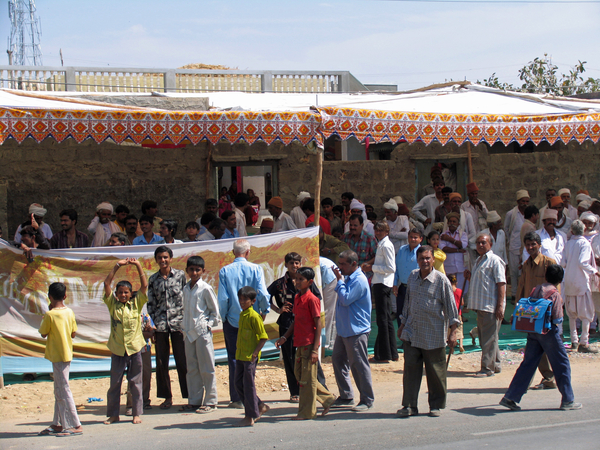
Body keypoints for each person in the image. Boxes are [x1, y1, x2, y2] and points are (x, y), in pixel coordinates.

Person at [500, 265, 582, 411]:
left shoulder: (536, 289)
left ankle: (510, 397)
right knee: (561, 364)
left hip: (533, 331)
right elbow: (557, 319)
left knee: (528, 364)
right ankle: (568, 400)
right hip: (548, 333)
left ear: (545, 277)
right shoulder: (554, 294)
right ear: (560, 280)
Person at [396, 246, 459, 418]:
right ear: (417, 260)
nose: (425, 261)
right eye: (422, 258)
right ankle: (409, 405)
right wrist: (402, 325)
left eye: (428, 258)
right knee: (410, 371)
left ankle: (436, 405)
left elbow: (452, 310)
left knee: (436, 372)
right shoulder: (412, 277)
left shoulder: (441, 280)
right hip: (412, 331)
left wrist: (453, 332)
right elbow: (407, 303)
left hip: (433, 334)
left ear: (433, 260)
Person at [275, 267, 336, 420]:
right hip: (299, 342)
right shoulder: (297, 297)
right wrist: (285, 337)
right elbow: (296, 321)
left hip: (309, 344)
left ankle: (306, 412)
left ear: (310, 282)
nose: (297, 281)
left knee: (306, 380)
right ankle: (328, 399)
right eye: (297, 278)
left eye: (301, 279)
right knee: (301, 375)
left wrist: (315, 350)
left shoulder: (312, 299)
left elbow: (318, 324)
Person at [218, 239, 270, 408]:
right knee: (251, 357)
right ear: (248, 252)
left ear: (234, 252)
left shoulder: (225, 271)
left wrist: (224, 316)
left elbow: (223, 298)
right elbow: (262, 292)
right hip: (252, 317)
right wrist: (264, 311)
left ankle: (237, 397)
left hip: (233, 320)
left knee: (234, 357)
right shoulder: (256, 269)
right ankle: (250, 393)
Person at [102, 257, 148, 425]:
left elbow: (144, 286)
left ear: (130, 294)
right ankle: (114, 414)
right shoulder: (112, 304)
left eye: (126, 292)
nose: (123, 295)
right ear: (116, 294)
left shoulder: (136, 304)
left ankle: (136, 413)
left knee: (135, 382)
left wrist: (137, 265)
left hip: (135, 348)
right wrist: (116, 266)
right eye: (120, 292)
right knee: (115, 383)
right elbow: (106, 284)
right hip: (117, 349)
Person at [330, 250, 375, 412]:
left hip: (356, 330)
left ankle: (367, 399)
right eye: (339, 263)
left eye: (343, 264)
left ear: (354, 264)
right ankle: (346, 395)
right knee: (338, 360)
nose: (340, 267)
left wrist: (340, 281)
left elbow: (346, 299)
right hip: (344, 330)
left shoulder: (359, 280)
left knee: (359, 365)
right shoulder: (348, 278)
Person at [37, 282, 83, 437]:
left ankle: (75, 424)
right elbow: (73, 333)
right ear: (65, 296)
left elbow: (43, 333)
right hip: (66, 354)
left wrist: (47, 317)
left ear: (49, 297)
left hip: (57, 356)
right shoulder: (69, 312)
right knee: (59, 388)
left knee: (63, 389)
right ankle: (57, 423)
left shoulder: (50, 315)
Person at [147, 246, 188, 410]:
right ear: (156, 260)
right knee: (161, 362)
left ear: (171, 258)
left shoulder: (180, 276)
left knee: (182, 361)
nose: (163, 260)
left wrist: (185, 322)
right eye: (159, 258)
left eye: (165, 257)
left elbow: (186, 298)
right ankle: (166, 397)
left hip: (179, 324)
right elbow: (151, 304)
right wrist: (154, 324)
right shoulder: (153, 280)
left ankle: (189, 394)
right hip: (161, 326)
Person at [517, 231, 558, 390]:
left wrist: (553, 311)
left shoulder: (548, 263)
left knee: (542, 346)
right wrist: (518, 308)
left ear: (539, 245)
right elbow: (521, 286)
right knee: (535, 346)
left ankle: (546, 378)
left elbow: (555, 289)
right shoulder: (526, 265)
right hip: (529, 312)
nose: (530, 247)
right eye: (527, 245)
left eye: (533, 244)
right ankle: (547, 377)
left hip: (545, 313)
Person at [181, 256, 220, 413]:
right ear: (187, 271)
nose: (194, 272)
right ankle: (195, 400)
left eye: (198, 269)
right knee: (192, 368)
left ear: (203, 271)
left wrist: (208, 326)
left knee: (207, 367)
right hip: (188, 333)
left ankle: (211, 401)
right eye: (191, 269)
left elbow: (214, 312)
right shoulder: (185, 288)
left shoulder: (205, 288)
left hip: (202, 333)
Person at [465, 233, 507, 377]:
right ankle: (495, 364)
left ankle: (487, 368)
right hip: (481, 305)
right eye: (478, 243)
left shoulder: (495, 261)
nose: (480, 245)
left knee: (488, 339)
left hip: (491, 305)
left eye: (483, 242)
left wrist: (500, 306)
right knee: (488, 336)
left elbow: (501, 283)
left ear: (490, 244)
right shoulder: (478, 260)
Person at [234, 286, 270, 427]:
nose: (242, 302)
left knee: (248, 386)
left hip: (250, 357)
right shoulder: (243, 315)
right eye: (240, 299)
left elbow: (263, 337)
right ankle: (260, 405)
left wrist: (255, 353)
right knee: (238, 384)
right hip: (241, 356)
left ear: (253, 301)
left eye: (245, 300)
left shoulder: (254, 317)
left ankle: (251, 416)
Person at [562, 220, 599, 353]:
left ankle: (574, 341)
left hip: (570, 282)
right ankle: (584, 342)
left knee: (572, 314)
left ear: (572, 231)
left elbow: (563, 263)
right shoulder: (584, 243)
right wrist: (595, 271)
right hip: (581, 282)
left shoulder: (568, 243)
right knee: (586, 314)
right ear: (583, 230)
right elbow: (582, 262)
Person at [362, 221, 397, 363]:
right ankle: (392, 353)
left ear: (386, 232)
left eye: (381, 231)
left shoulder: (386, 245)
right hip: (380, 282)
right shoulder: (381, 244)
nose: (378, 233)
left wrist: (373, 268)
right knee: (386, 319)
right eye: (377, 230)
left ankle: (382, 354)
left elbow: (391, 267)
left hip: (383, 283)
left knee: (382, 319)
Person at [393, 228, 423, 326]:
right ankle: (403, 338)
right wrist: (394, 284)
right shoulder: (402, 250)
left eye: (415, 237)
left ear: (420, 239)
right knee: (400, 313)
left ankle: (413, 339)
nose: (413, 239)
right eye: (411, 237)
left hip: (416, 288)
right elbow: (396, 268)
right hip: (402, 287)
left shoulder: (423, 252)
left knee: (414, 314)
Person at [505, 190, 530, 301]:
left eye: (526, 201)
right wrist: (510, 240)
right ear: (518, 201)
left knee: (525, 271)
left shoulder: (528, 213)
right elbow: (506, 228)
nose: (525, 203)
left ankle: (524, 293)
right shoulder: (511, 214)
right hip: (514, 246)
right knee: (514, 271)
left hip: (526, 247)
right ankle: (514, 293)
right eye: (523, 201)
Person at [440, 212, 468, 291]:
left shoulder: (463, 234)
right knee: (449, 291)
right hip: (448, 268)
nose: (452, 223)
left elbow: (462, 245)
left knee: (461, 291)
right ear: (448, 223)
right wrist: (458, 250)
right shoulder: (443, 235)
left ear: (458, 223)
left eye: (454, 221)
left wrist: (449, 239)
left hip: (461, 268)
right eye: (450, 221)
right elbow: (444, 249)